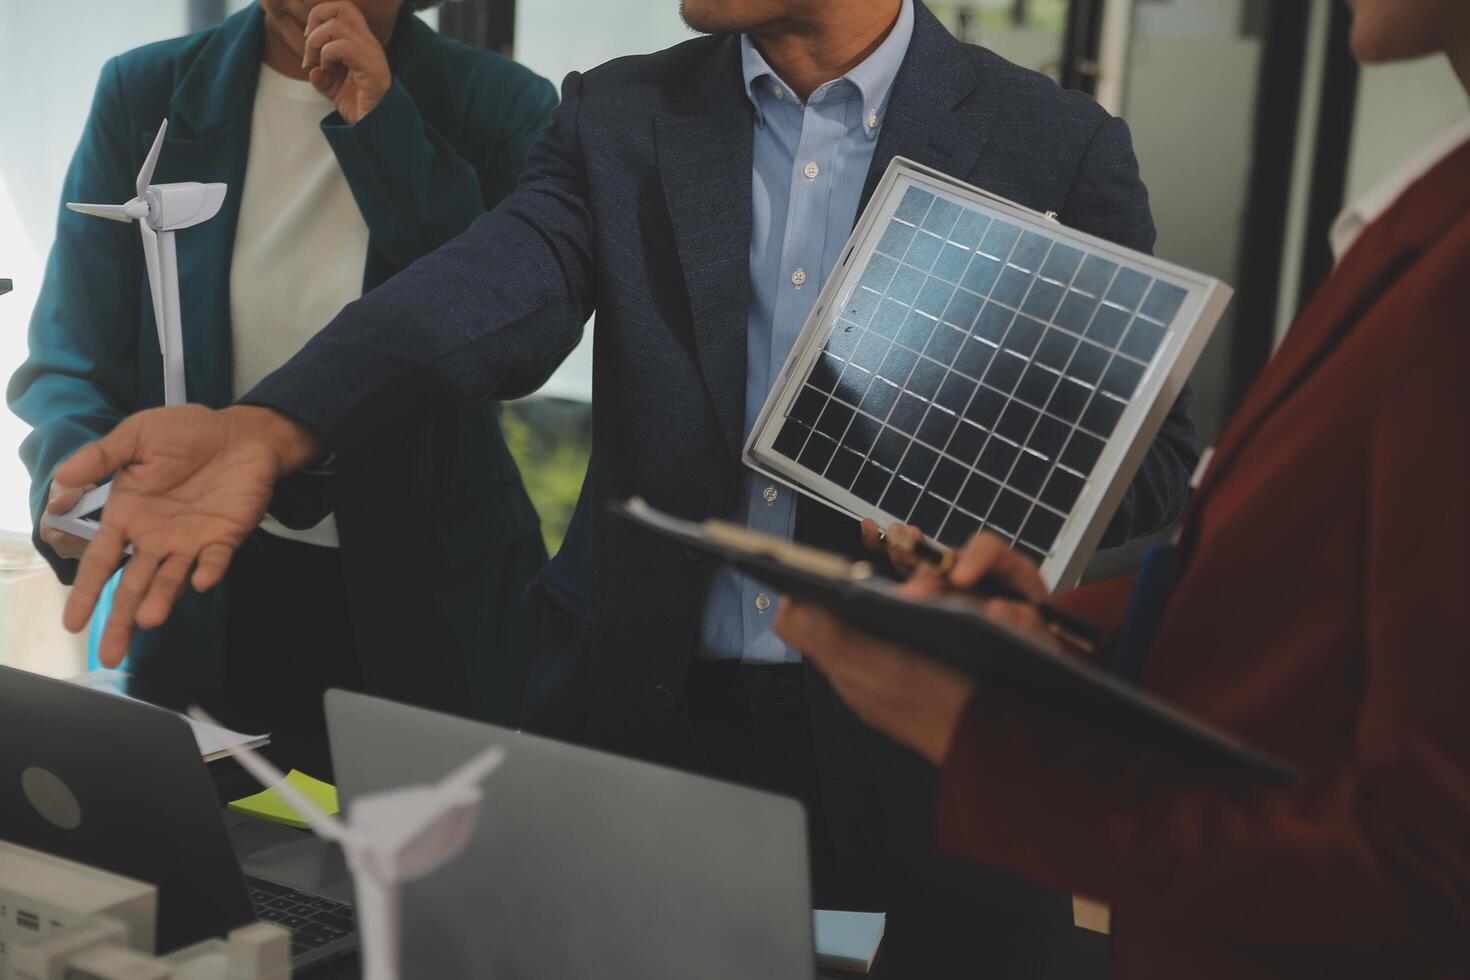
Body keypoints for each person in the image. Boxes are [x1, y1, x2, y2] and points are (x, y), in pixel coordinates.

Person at [49, 0, 1197, 971]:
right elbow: (485, 290)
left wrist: (1002, 488)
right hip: (641, 729)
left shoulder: (1055, 145)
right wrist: (273, 423)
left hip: (929, 749)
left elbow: (1148, 463)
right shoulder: (624, 113)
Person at [772, 1, 1470, 976]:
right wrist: (1058, 630)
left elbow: (1432, 855)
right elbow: (1307, 623)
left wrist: (982, 740)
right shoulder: (1426, 215)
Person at [8, 0, 556, 724]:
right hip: (201, 570)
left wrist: (385, 124)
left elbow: (506, 334)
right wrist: (86, 483)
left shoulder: (503, 102)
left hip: (431, 586)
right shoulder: (144, 91)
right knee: (206, 824)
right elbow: (71, 356)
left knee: (424, 828)